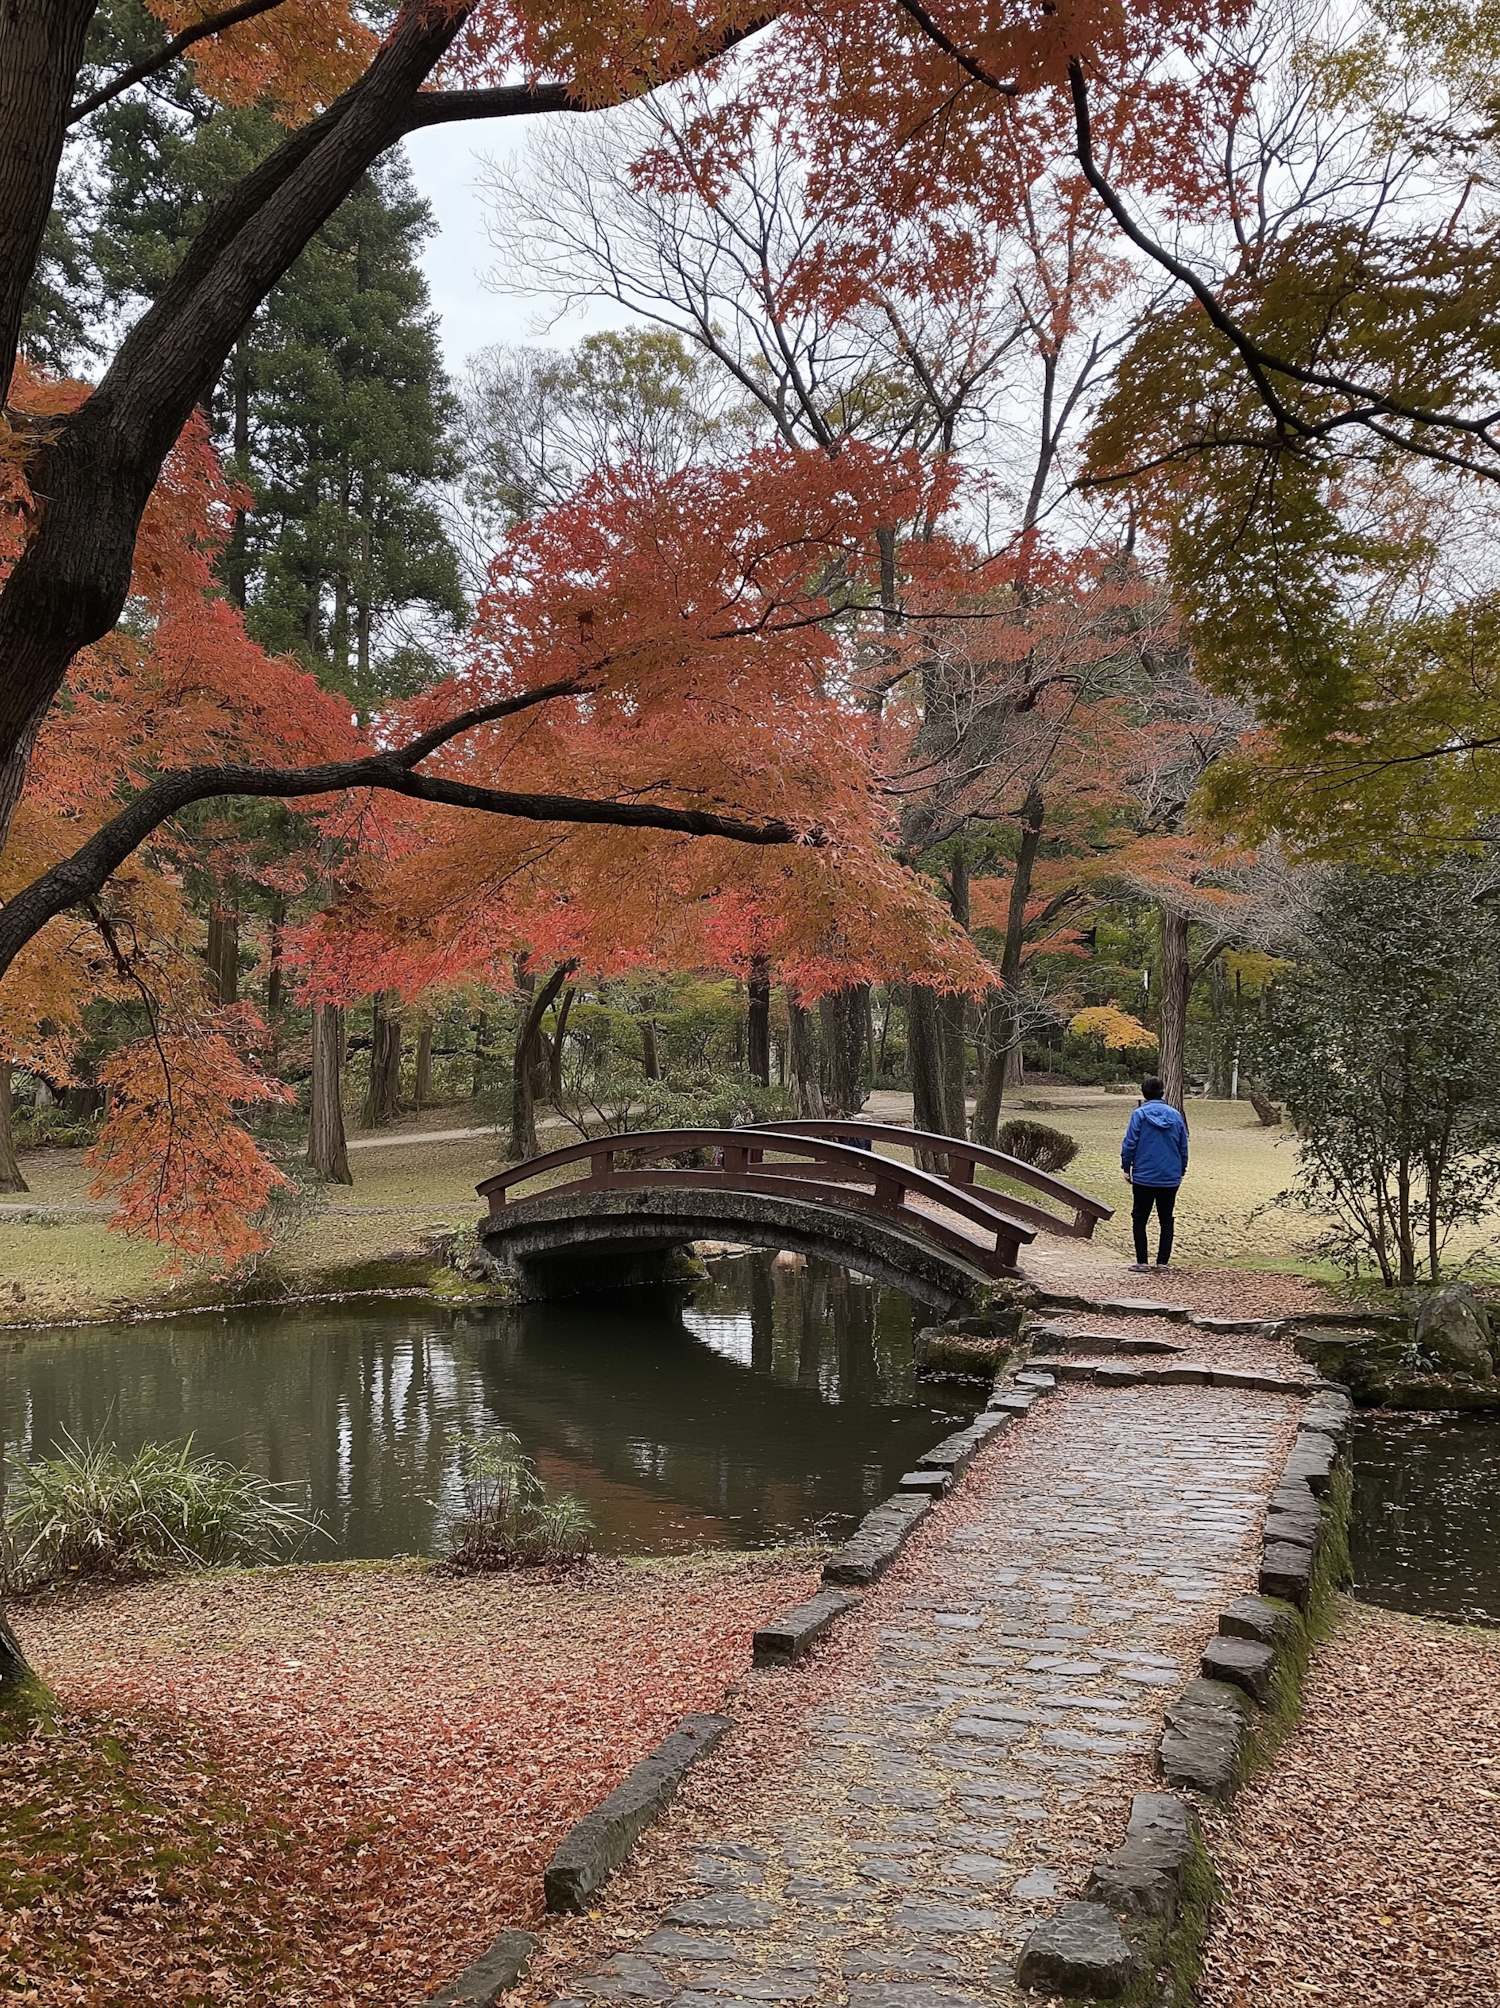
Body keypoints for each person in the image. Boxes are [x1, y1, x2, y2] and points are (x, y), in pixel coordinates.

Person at [1120, 1076, 1189, 1273]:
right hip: (1170, 1174)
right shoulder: (1175, 1115)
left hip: (1144, 1174)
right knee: (1166, 1218)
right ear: (1162, 1092)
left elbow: (1130, 1143)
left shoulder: (1139, 1115)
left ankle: (1142, 1261)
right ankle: (1162, 1263)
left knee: (1139, 1217)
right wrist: (1181, 1169)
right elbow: (1183, 1146)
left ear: (1144, 1092)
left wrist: (1126, 1167)